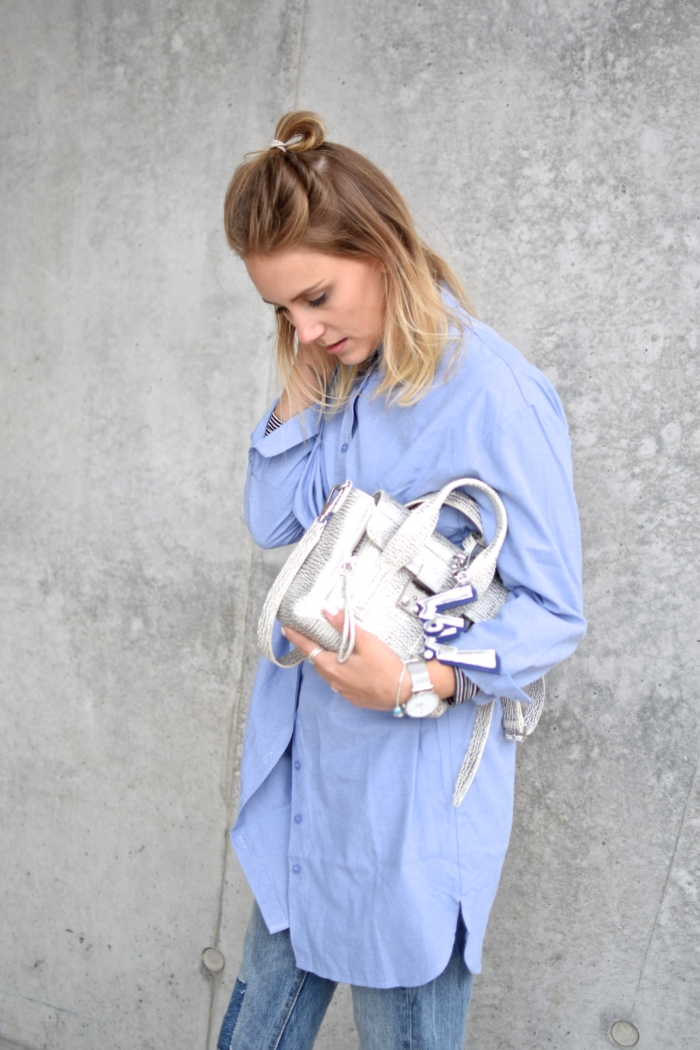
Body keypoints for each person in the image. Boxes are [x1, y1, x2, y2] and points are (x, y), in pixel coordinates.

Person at [217, 111, 586, 1050]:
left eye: (316, 296)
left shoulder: (497, 393)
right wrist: (306, 365)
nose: (304, 326)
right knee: (255, 1027)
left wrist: (422, 680)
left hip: (409, 801)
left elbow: (555, 612)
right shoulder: (346, 373)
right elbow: (273, 519)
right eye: (281, 311)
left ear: (379, 248)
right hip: (313, 778)